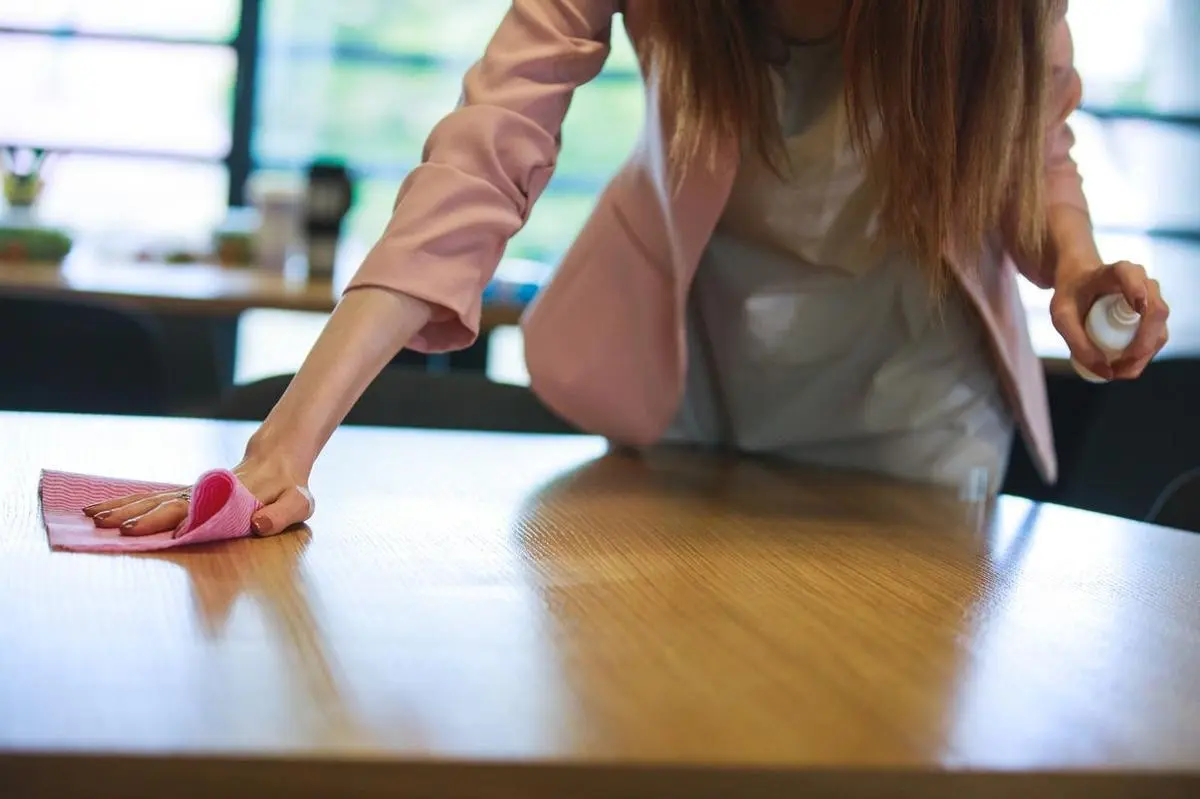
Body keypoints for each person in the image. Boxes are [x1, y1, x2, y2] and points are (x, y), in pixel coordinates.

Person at [85, 0, 1169, 537]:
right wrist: (288, 442)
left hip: (914, 404)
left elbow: (1027, 139)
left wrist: (1070, 263)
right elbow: (483, 155)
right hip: (698, 374)